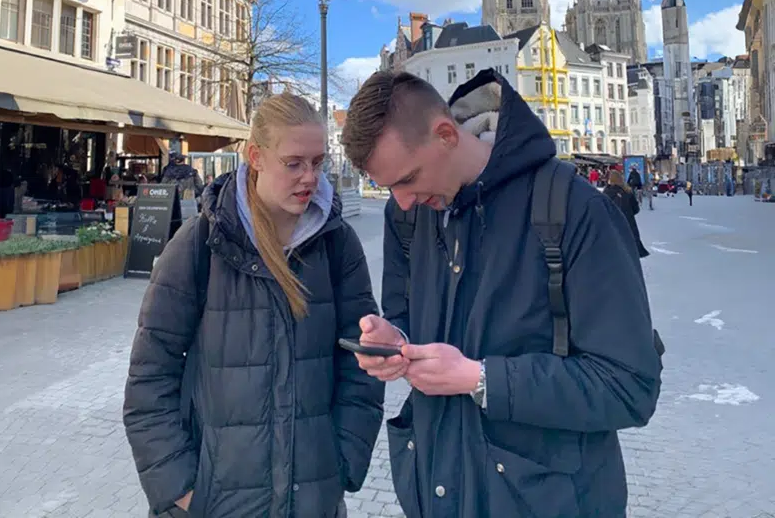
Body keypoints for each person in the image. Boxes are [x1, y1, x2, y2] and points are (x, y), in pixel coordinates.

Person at [341, 69, 661, 518]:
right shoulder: (408, 216)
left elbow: (630, 386)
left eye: (408, 178)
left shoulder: (575, 209)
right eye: (388, 186)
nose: (403, 199)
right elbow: (407, 318)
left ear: (447, 134)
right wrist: (395, 341)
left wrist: (481, 379)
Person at [123, 93, 385, 518]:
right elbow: (149, 378)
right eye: (294, 163)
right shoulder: (200, 243)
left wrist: (340, 465)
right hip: (215, 503)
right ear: (256, 157)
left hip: (313, 499)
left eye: (318, 163)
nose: (309, 178)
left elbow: (362, 363)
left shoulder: (338, 245)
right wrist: (182, 489)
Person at [604, 169, 649, 259]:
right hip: (628, 223)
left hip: (612, 224)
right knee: (630, 247)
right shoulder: (627, 192)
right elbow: (636, 209)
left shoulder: (606, 193)